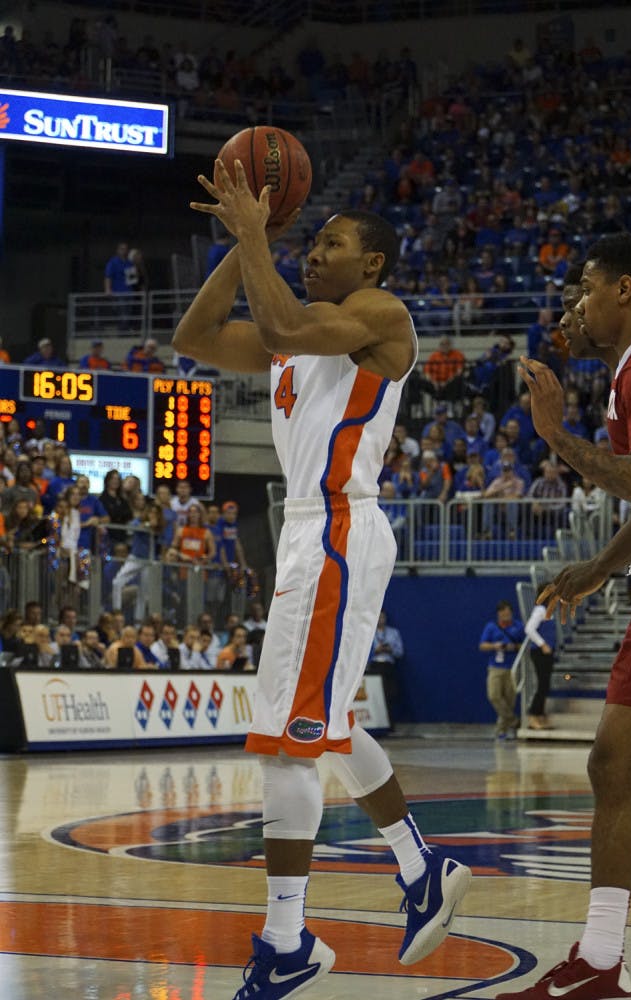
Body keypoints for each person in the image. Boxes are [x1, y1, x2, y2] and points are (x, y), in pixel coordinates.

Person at [173, 164, 471, 998]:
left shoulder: (378, 315)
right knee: (322, 727)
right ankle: (420, 868)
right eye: (313, 240)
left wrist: (256, 239)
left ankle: (286, 938)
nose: (314, 253)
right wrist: (243, 246)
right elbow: (193, 340)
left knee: (284, 745)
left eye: (331, 243)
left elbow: (284, 326)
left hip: (338, 526)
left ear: (371, 263)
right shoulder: (291, 326)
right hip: (311, 535)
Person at [495, 232, 631, 999]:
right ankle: (599, 961)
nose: (574, 305)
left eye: (585, 288)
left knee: (619, 764)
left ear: (624, 290)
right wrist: (600, 567)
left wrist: (555, 436)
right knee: (613, 762)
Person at [479, 600, 524, 739]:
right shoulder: (491, 627)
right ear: (499, 614)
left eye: (508, 613)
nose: (506, 616)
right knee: (494, 695)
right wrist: (495, 646)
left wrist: (513, 647)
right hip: (496, 667)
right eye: (503, 613)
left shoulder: (519, 626)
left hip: (512, 667)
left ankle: (501, 730)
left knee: (509, 700)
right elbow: (482, 645)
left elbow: (525, 644)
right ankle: (514, 721)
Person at [367, 609, 404, 729]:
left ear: (385, 618)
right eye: (378, 617)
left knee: (390, 694)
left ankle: (390, 724)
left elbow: (400, 652)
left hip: (388, 666)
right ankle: (378, 724)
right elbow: (363, 654)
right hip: (375, 667)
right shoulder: (370, 633)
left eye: (382, 617)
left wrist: (390, 650)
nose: (380, 620)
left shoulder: (394, 633)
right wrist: (374, 651)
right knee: (377, 696)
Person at [522, 602, 557, 731]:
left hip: (547, 652)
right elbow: (529, 629)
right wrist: (542, 644)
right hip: (540, 652)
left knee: (545, 685)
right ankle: (533, 715)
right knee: (542, 684)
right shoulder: (540, 610)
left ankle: (540, 714)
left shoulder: (549, 611)